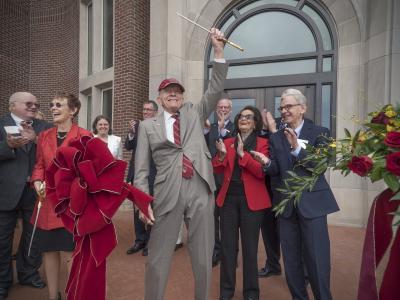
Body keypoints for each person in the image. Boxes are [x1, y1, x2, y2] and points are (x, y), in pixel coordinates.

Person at [134, 28, 228, 300]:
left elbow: (215, 87)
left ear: (183, 97)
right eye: (168, 91)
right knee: (158, 256)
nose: (173, 94)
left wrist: (218, 50)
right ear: (160, 97)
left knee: (202, 255)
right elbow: (140, 169)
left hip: (199, 187)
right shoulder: (147, 125)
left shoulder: (195, 113)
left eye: (177, 91)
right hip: (167, 192)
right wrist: (142, 202)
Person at [252, 88, 339, 300]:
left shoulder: (321, 132)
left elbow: (321, 166)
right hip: (286, 208)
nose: (284, 110)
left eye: (288, 106)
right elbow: (277, 171)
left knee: (317, 261)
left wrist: (297, 149)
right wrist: (266, 163)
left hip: (313, 205)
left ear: (303, 108)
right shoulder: (276, 137)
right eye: (282, 107)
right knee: (291, 263)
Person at [31, 93, 91, 300]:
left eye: (59, 105)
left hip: (72, 204)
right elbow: (39, 165)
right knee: (49, 251)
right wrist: (37, 182)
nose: (53, 108)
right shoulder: (44, 136)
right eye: (52, 105)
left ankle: (72, 294)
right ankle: (52, 296)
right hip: (48, 204)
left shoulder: (85, 136)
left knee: (69, 253)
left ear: (73, 110)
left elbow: (90, 171)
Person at [213, 106, 271, 300]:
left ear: (255, 123)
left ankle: (251, 293)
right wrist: (221, 154)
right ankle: (226, 292)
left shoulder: (263, 143)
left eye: (248, 117)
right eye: (241, 117)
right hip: (228, 200)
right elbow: (218, 168)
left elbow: (262, 172)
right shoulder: (228, 141)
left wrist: (242, 155)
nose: (243, 119)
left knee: (250, 249)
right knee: (228, 249)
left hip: (251, 202)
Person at [0, 92, 49, 299]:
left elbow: (54, 152)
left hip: (35, 192)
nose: (33, 107)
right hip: (6, 191)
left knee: (33, 238)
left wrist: (37, 140)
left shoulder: (44, 127)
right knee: (2, 240)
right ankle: (2, 281)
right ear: (13, 105)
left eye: (36, 104)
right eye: (28, 103)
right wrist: (7, 147)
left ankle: (28, 274)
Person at [204, 96, 234, 267]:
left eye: (226, 107)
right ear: (216, 109)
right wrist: (217, 128)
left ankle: (229, 253)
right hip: (212, 181)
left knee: (228, 221)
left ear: (230, 109)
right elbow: (210, 149)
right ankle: (216, 251)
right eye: (220, 107)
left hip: (229, 182)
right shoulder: (211, 128)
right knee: (213, 218)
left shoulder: (236, 127)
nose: (223, 110)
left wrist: (221, 129)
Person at [126, 100, 158, 256]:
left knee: (151, 207)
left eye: (149, 110)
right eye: (144, 109)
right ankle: (140, 240)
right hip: (136, 174)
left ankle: (151, 242)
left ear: (155, 112)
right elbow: (128, 146)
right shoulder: (137, 127)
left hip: (153, 175)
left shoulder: (159, 127)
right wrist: (131, 133)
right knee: (137, 208)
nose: (145, 112)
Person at [258, 110, 282, 278]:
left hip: (283, 192)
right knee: (268, 232)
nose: (265, 119)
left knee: (289, 233)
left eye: (267, 116)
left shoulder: (282, 134)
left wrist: (272, 130)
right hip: (264, 192)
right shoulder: (259, 137)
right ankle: (272, 265)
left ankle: (303, 273)